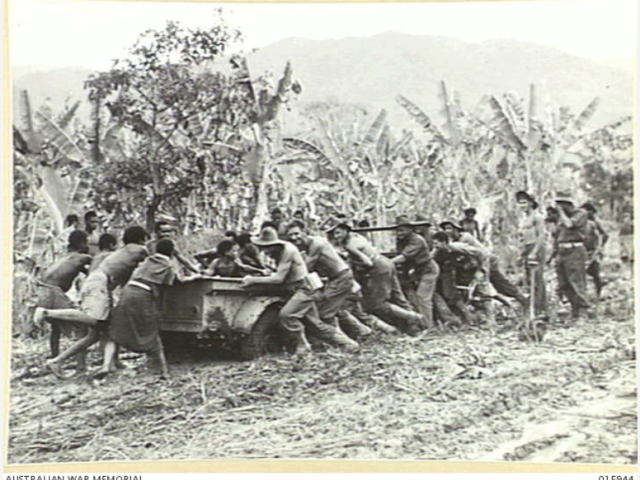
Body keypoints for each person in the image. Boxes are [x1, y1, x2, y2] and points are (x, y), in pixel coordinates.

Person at [37, 226, 150, 379]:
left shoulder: (123, 256)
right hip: (99, 284)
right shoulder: (139, 249)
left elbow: (122, 281)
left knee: (103, 331)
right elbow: (158, 258)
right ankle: (46, 313)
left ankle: (101, 365)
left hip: (99, 285)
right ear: (142, 239)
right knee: (91, 319)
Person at [240, 226, 358, 355]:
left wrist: (253, 280)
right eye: (262, 247)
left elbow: (279, 278)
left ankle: (302, 346)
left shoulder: (288, 250)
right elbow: (281, 273)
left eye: (267, 247)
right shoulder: (277, 252)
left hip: (304, 288)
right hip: (296, 288)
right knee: (315, 325)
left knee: (287, 315)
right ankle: (348, 344)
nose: (265, 250)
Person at [106, 239, 201, 378]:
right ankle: (164, 371)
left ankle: (109, 365)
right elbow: (178, 281)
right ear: (172, 251)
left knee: (119, 327)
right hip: (142, 295)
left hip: (127, 292)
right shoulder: (167, 265)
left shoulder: (148, 260)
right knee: (151, 330)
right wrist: (195, 277)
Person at [329, 221, 423, 335]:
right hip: (386, 262)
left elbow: (367, 262)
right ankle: (414, 328)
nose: (336, 236)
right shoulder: (357, 237)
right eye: (334, 234)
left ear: (345, 230)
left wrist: (353, 263)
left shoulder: (350, 245)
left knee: (378, 304)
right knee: (398, 296)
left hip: (378, 268)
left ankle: (413, 317)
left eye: (338, 233)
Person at [286, 220, 361, 341]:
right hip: (335, 279)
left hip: (341, 278)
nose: (294, 238)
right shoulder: (305, 246)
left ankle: (347, 340)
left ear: (304, 231)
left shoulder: (316, 243)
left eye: (296, 233)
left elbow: (306, 267)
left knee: (324, 313)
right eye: (291, 235)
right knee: (332, 310)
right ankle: (360, 333)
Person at [34, 230, 93, 366]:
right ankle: (80, 366)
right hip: (53, 292)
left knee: (56, 326)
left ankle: (54, 357)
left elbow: (78, 270)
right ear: (82, 243)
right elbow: (98, 265)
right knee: (81, 324)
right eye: (87, 242)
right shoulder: (83, 257)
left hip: (41, 290)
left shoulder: (65, 256)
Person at [440, 221, 527, 308]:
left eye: (449, 228)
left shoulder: (465, 238)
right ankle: (507, 304)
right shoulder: (454, 242)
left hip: (486, 261)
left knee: (500, 284)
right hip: (475, 264)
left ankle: (523, 301)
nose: (447, 231)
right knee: (477, 287)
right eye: (445, 229)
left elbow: (479, 254)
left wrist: (480, 270)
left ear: (456, 229)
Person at [432, 231, 495, 325]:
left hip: (477, 267)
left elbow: (482, 254)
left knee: (483, 292)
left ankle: (491, 320)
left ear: (444, 242)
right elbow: (430, 258)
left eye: (436, 243)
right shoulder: (438, 251)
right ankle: (468, 316)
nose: (435, 246)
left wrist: (481, 270)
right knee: (452, 292)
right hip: (463, 270)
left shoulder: (459, 247)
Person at [392, 215, 439, 329]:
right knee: (411, 295)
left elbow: (403, 257)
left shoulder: (417, 240)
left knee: (423, 298)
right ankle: (418, 323)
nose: (399, 233)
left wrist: (384, 263)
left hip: (428, 270)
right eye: (397, 230)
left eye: (402, 230)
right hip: (416, 270)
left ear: (410, 229)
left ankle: (428, 327)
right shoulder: (401, 240)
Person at [553, 192, 591, 319]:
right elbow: (557, 235)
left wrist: (561, 213)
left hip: (575, 250)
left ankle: (583, 312)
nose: (558, 207)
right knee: (564, 283)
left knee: (577, 281)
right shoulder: (561, 218)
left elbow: (570, 225)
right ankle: (574, 310)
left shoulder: (580, 214)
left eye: (560, 204)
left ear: (567, 204)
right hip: (562, 251)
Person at [516, 191, 547, 316]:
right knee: (529, 278)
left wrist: (534, 252)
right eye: (519, 203)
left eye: (524, 202)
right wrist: (521, 254)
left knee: (537, 278)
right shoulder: (524, 219)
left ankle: (540, 308)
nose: (522, 205)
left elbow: (541, 235)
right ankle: (535, 306)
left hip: (536, 248)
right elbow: (523, 239)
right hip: (527, 248)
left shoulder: (537, 217)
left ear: (530, 203)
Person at [581, 202, 609, 299]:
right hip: (584, 250)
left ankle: (598, 293)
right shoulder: (582, 222)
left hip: (594, 250)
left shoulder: (596, 222)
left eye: (586, 211)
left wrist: (600, 247)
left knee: (595, 272)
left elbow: (604, 235)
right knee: (584, 272)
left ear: (591, 211)